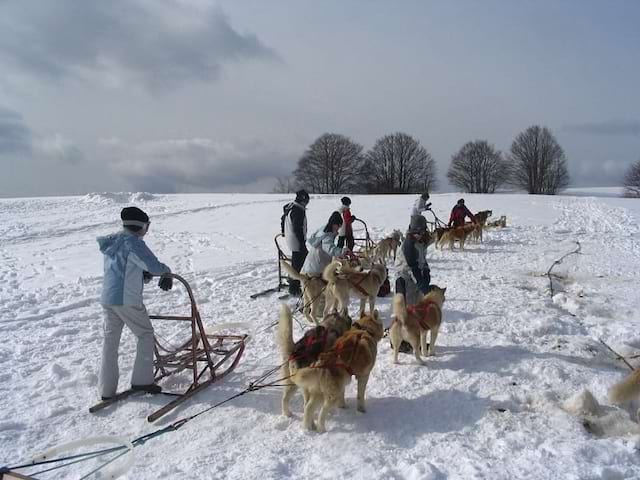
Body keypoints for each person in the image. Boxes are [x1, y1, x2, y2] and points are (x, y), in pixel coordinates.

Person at [97, 206, 172, 400]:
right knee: (145, 334)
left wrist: (141, 274)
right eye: (147, 226)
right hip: (126, 300)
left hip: (108, 298)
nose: (147, 230)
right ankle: (142, 381)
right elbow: (153, 265)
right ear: (141, 226)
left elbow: (124, 268)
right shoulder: (133, 243)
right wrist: (166, 271)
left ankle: (105, 390)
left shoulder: (114, 241)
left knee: (110, 343)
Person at [395, 215, 431, 306]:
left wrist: (426, 270)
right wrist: (421, 283)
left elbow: (422, 258)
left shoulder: (420, 243)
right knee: (410, 309)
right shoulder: (408, 246)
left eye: (420, 232)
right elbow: (412, 267)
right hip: (405, 279)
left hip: (415, 279)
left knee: (419, 305)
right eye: (415, 233)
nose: (418, 235)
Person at [301, 211, 349, 277]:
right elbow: (329, 249)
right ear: (335, 224)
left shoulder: (323, 229)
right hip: (316, 269)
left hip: (311, 265)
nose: (338, 229)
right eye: (339, 226)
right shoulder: (328, 235)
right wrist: (342, 251)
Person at [282, 189, 310, 296]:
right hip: (296, 240)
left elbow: (282, 218)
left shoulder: (290, 206)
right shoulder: (298, 210)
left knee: (296, 262)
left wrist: (283, 231)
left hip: (291, 239)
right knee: (298, 264)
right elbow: (298, 228)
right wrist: (302, 245)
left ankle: (294, 283)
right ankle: (294, 287)